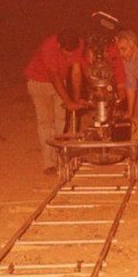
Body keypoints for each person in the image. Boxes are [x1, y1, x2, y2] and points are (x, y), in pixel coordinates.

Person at [24, 30, 87, 174]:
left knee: (61, 119)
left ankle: (60, 156)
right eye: (67, 53)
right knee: (46, 123)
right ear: (59, 46)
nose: (70, 57)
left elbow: (76, 71)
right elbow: (53, 75)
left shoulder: (78, 44)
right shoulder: (49, 46)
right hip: (38, 81)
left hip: (60, 80)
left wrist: (75, 99)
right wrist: (68, 102)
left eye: (72, 53)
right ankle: (49, 163)